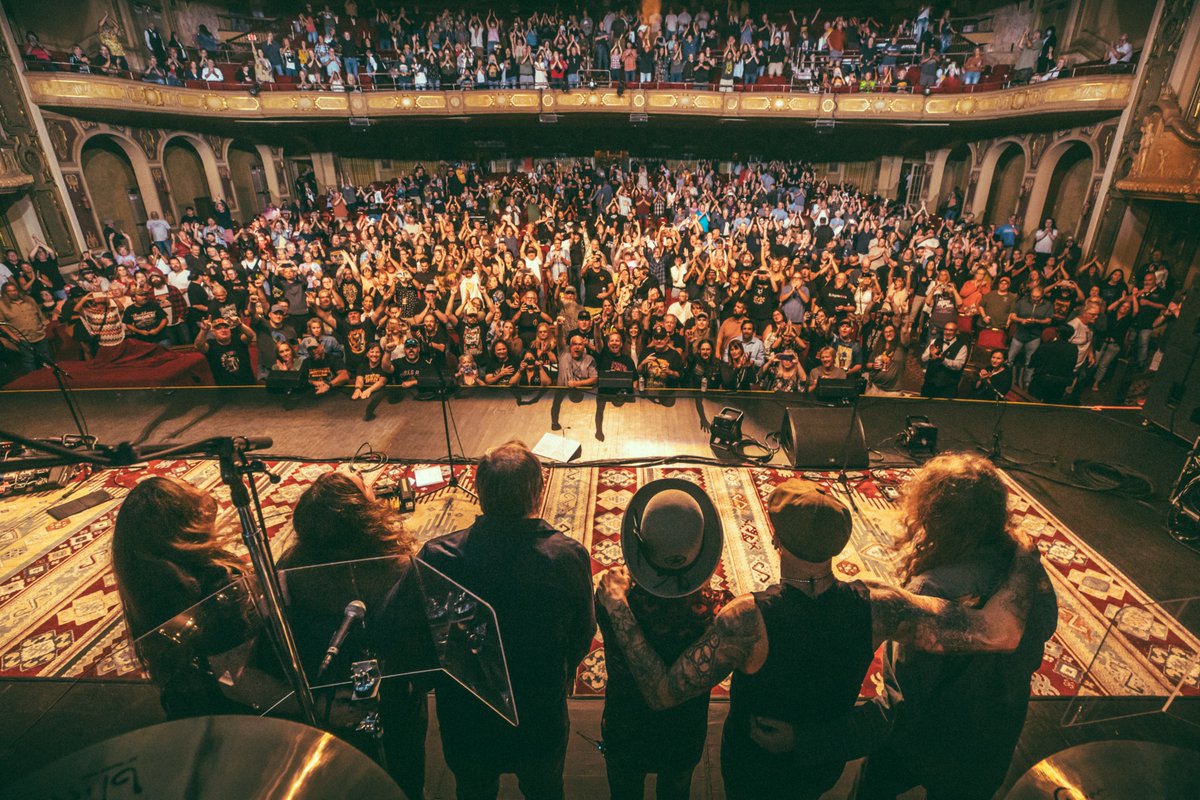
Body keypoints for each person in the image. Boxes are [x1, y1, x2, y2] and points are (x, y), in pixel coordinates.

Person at [598, 474, 1045, 800]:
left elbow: (661, 692)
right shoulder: (880, 606)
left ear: (775, 540)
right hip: (821, 766)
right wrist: (1025, 551)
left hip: (752, 764)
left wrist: (618, 606)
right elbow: (1000, 631)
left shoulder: (746, 619)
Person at [748, 455, 1058, 800]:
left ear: (931, 514)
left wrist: (804, 740)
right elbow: (1038, 637)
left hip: (919, 745)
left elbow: (897, 710)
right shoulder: (1028, 575)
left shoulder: (930, 592)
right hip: (990, 745)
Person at [418, 441, 594, 800]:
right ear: (539, 493)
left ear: (479, 493)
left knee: (473, 790)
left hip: (467, 722)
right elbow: (582, 634)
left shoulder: (437, 557)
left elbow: (425, 639)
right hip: (539, 717)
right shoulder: (567, 557)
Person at [277, 471, 430, 800]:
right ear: (365, 516)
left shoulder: (290, 569)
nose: (370, 484)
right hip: (395, 698)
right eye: (365, 487)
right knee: (404, 779)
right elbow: (419, 641)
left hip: (331, 701)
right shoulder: (400, 566)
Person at [596, 479, 728, 800]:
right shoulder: (722, 612)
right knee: (676, 790)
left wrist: (616, 604)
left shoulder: (610, 601)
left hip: (624, 732)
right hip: (684, 736)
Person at [111, 476, 251, 718]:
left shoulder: (151, 588)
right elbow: (241, 683)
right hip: (243, 714)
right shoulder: (218, 583)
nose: (197, 491)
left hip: (188, 710)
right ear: (184, 526)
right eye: (187, 490)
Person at [195, 316, 256, 385]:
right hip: (225, 390)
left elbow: (250, 335)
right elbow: (198, 346)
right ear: (213, 332)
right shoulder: (211, 345)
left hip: (248, 385)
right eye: (218, 328)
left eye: (226, 327)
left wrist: (240, 324)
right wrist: (204, 330)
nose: (223, 330)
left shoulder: (238, 339)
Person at [920, 321, 968, 399]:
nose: (948, 332)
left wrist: (942, 359)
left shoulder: (962, 347)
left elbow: (958, 366)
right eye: (946, 329)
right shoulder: (935, 341)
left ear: (956, 332)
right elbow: (923, 358)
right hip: (929, 385)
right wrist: (930, 355)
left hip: (947, 388)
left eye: (951, 330)